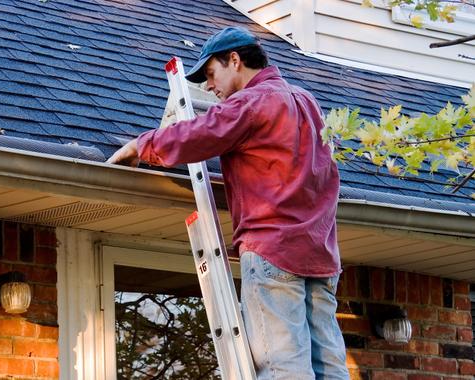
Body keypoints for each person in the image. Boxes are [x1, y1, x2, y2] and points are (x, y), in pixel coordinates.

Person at [107, 26, 349, 379]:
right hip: (321, 256)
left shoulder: (253, 102)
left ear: (234, 61)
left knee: (284, 370)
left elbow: (200, 134)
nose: (207, 87)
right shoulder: (307, 102)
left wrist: (139, 146)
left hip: (272, 252)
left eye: (210, 73)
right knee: (330, 368)